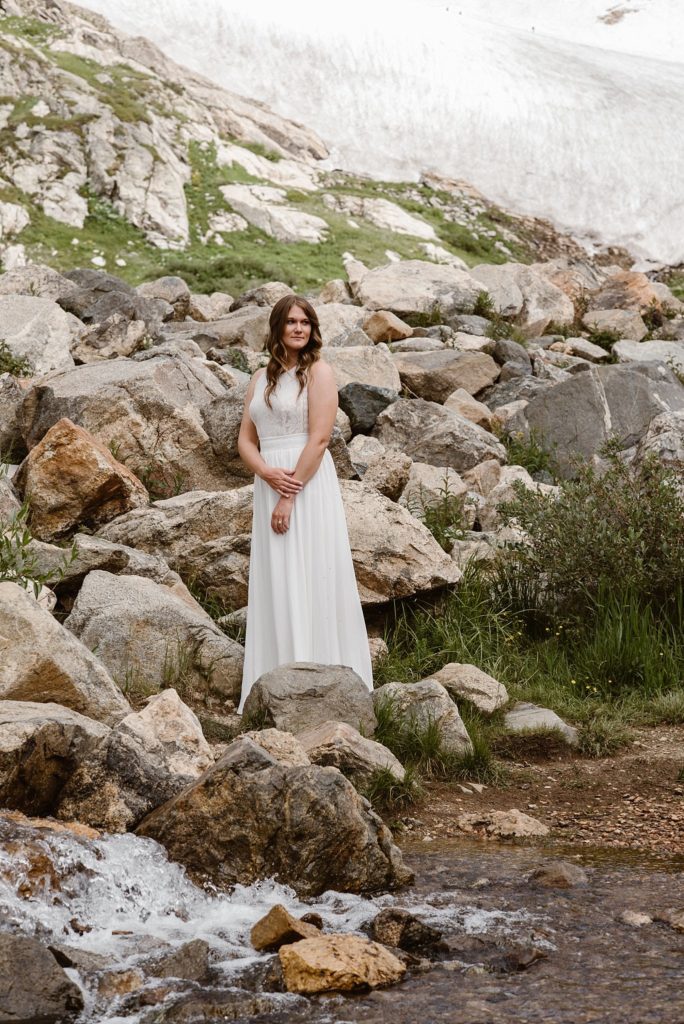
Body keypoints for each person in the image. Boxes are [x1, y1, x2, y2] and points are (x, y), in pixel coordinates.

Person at [236, 293, 373, 712]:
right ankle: (272, 685)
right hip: (270, 479)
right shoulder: (260, 378)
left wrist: (287, 496)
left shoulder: (320, 372)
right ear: (277, 327)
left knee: (309, 570)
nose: (299, 328)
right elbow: (245, 438)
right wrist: (265, 472)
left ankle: (322, 685)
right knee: (276, 577)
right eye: (291, 322)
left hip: (305, 483)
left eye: (306, 323)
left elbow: (319, 438)